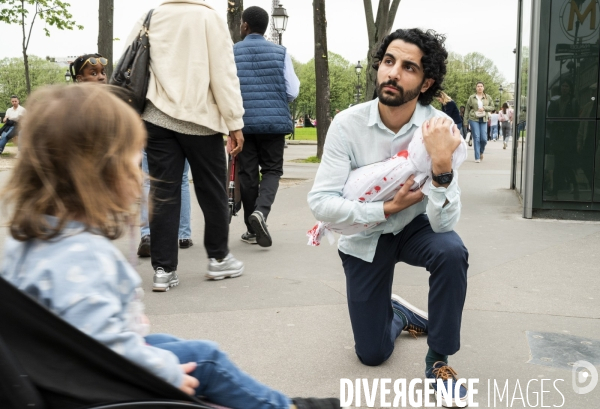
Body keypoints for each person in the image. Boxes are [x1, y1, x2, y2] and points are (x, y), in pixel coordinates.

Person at [0, 84, 339, 409]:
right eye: (134, 162)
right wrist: (164, 374)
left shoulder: (27, 242)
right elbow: (107, 347)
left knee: (171, 346)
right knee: (206, 360)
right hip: (103, 384)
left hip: (60, 371)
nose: (141, 175)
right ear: (99, 174)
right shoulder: (84, 257)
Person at [308, 28, 469, 405]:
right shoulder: (348, 124)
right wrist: (387, 207)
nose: (392, 73)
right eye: (388, 62)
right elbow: (322, 203)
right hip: (364, 237)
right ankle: (396, 315)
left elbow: (445, 224)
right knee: (372, 355)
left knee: (450, 251)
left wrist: (442, 166)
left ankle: (439, 359)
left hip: (416, 227)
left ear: (426, 81)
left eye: (408, 67)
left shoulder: (441, 129)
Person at [123, 0, 246, 289]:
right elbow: (224, 73)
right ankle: (218, 258)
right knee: (212, 190)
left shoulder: (151, 15)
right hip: (200, 117)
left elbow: (130, 58)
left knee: (163, 192)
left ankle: (163, 270)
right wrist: (234, 121)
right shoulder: (208, 18)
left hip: (156, 117)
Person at [234, 6, 299, 248]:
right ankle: (261, 213)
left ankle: (252, 229)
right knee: (272, 170)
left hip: (243, 124)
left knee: (248, 174)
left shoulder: (232, 53)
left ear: (245, 26)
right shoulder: (280, 52)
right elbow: (292, 90)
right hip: (273, 123)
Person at [464, 81, 495, 162]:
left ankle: (481, 151)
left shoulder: (488, 97)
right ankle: (477, 157)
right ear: (476, 88)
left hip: (484, 118)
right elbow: (467, 109)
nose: (479, 87)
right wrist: (465, 121)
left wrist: (484, 108)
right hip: (474, 118)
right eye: (478, 86)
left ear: (483, 88)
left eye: (481, 86)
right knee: (476, 138)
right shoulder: (471, 97)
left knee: (484, 139)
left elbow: (492, 107)